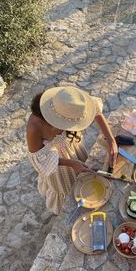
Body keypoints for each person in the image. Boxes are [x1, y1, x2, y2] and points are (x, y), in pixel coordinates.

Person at [26, 86, 118, 214]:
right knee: (68, 191)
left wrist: (111, 141)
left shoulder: (70, 100)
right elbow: (41, 160)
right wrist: (71, 164)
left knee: (85, 177)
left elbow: (95, 110)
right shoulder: (34, 128)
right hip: (57, 165)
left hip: (74, 148)